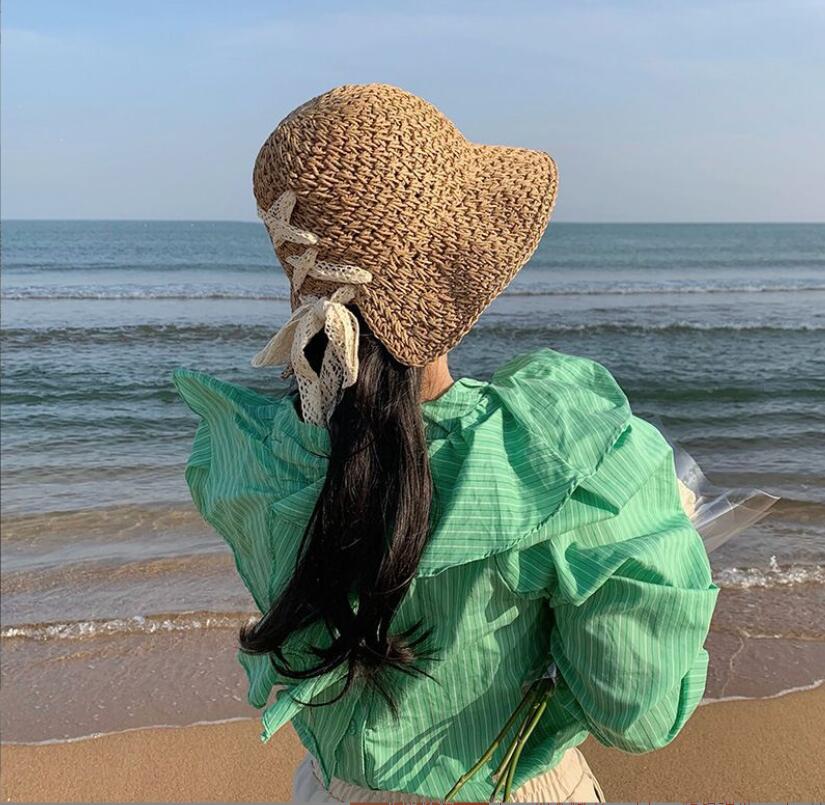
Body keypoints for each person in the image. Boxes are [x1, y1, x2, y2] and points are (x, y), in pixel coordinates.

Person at [172, 84, 719, 803]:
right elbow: (635, 713)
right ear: (455, 269)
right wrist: (653, 533)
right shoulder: (559, 460)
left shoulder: (253, 457)